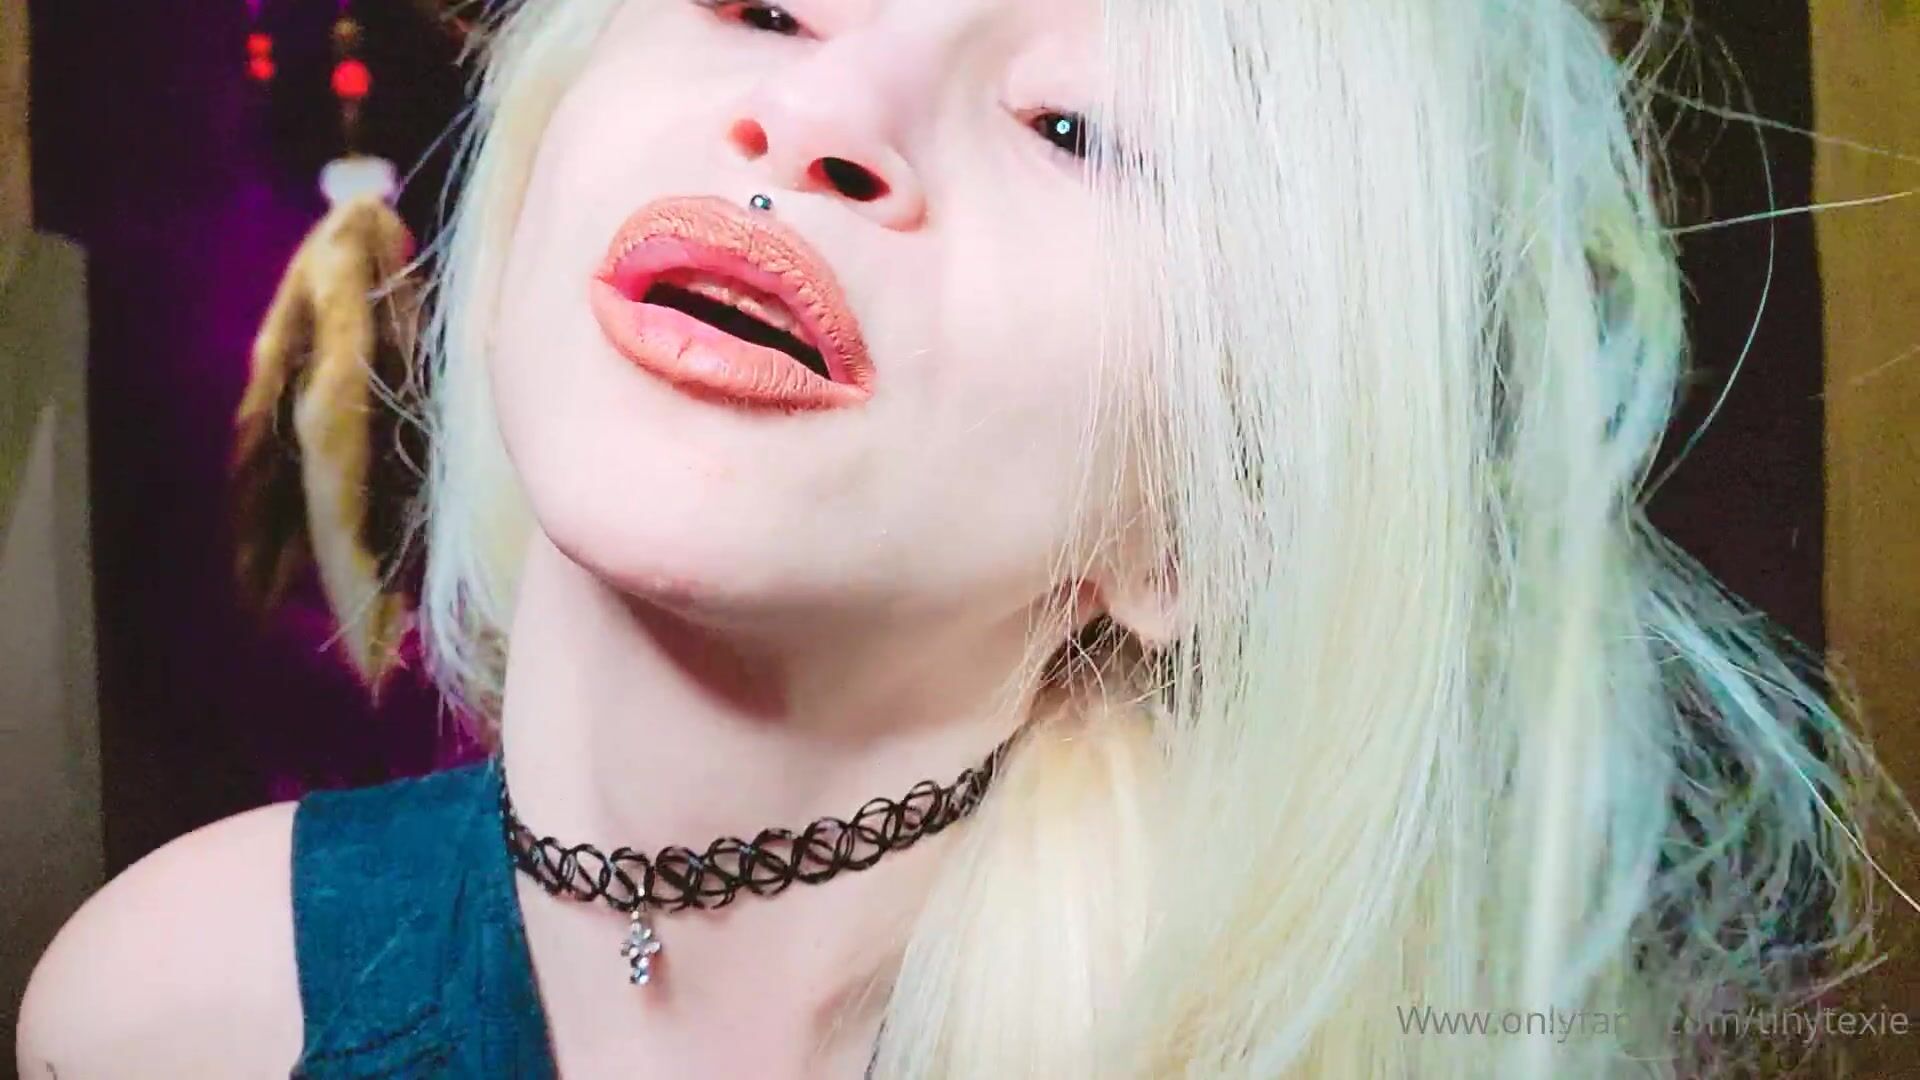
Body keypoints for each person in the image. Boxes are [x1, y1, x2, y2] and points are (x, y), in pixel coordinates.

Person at [17, 0, 1912, 1076]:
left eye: (1075, 127)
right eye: (763, 2)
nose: (823, 112)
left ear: (1196, 518)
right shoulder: (170, 1009)